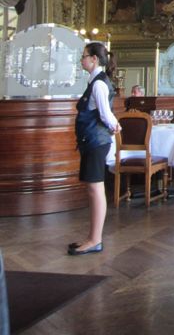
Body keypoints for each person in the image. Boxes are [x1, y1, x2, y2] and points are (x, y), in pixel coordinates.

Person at [69, 41, 120, 256]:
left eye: (84, 56)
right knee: (93, 188)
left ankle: (94, 239)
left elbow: (105, 113)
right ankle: (92, 237)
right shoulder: (95, 81)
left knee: (96, 188)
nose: (81, 59)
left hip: (96, 141)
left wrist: (115, 126)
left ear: (94, 59)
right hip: (93, 140)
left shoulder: (99, 84)